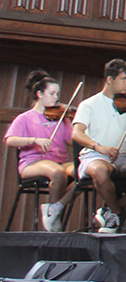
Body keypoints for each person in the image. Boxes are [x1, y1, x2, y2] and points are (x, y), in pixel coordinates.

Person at [71, 59, 126, 234]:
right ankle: (117, 213)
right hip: (95, 155)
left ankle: (111, 212)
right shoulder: (89, 104)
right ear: (109, 80)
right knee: (99, 171)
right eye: (123, 79)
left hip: (123, 158)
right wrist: (98, 146)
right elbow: (77, 133)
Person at [5, 70, 75, 231]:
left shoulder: (59, 118)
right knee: (58, 173)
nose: (56, 98)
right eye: (52, 93)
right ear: (39, 94)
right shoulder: (25, 118)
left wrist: (69, 120)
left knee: (83, 173)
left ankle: (55, 209)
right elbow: (10, 140)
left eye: (57, 94)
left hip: (58, 162)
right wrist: (34, 140)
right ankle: (53, 218)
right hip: (33, 162)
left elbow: (71, 141)